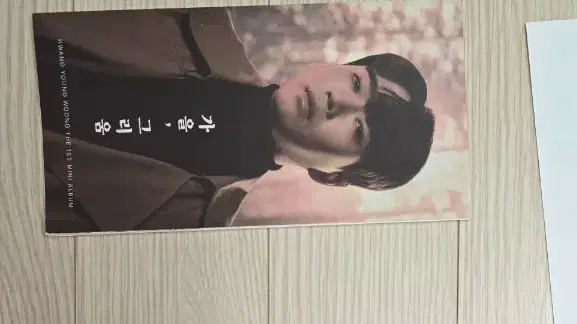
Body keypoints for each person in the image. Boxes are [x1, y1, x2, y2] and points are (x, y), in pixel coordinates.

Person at [34, 8, 436, 232]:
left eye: (358, 129)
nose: (338, 101)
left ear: (334, 177)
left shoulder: (190, 224)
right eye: (356, 82)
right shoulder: (197, 17)